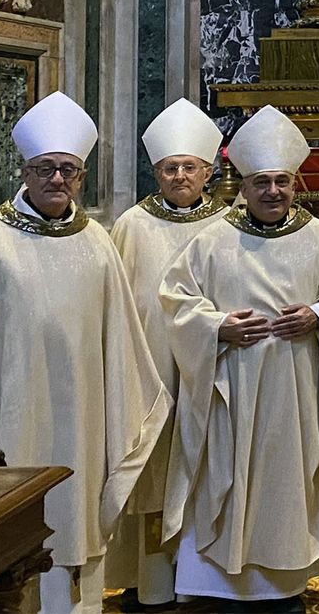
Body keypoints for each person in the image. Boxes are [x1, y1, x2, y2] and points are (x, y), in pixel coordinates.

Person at [0, 92, 168, 614]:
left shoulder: (96, 240)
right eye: (45, 168)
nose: (57, 179)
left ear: (82, 176)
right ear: (24, 171)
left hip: (84, 420)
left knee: (75, 519)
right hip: (9, 416)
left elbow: (120, 340)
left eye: (68, 170)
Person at [160, 105, 319, 609]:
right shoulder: (210, 241)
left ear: (296, 183)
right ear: (243, 185)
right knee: (226, 480)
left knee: (288, 484)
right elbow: (176, 300)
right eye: (262, 183)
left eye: (282, 181)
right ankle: (221, 584)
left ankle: (283, 585)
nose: (273, 191)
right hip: (230, 389)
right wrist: (217, 327)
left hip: (298, 388)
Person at [106, 97, 226, 611]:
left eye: (190, 168)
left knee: (210, 462)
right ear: (156, 171)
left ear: (208, 170)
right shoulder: (131, 225)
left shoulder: (230, 225)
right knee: (154, 468)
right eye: (170, 168)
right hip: (152, 366)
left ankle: (207, 575)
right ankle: (152, 580)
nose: (180, 176)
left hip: (216, 367)